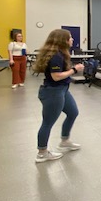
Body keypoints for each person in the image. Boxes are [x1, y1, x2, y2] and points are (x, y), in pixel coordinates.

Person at [32, 29, 83, 163]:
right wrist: (74, 70)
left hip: (63, 90)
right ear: (63, 40)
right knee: (48, 123)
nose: (72, 40)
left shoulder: (61, 53)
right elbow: (56, 77)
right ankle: (42, 153)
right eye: (70, 38)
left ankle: (65, 141)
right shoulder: (56, 56)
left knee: (73, 113)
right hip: (53, 92)